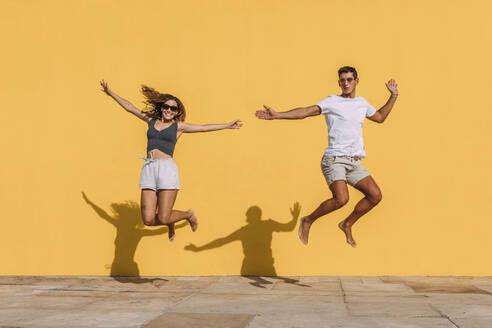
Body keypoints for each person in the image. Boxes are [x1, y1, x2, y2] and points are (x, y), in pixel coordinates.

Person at [255, 66, 398, 247]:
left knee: (375, 196)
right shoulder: (332, 101)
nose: (346, 83)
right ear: (339, 82)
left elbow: (379, 117)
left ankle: (347, 224)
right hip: (334, 159)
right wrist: (278, 115)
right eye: (342, 80)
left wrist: (393, 96)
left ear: (356, 81)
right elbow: (306, 111)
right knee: (341, 199)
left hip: (354, 162)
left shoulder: (362, 103)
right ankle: (308, 220)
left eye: (349, 80)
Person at [100, 80, 243, 241]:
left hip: (166, 170)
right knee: (147, 220)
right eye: (166, 107)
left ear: (176, 112)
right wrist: (110, 93)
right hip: (149, 168)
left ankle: (188, 215)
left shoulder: (179, 127)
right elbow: (130, 107)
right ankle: (169, 221)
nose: (169, 110)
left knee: (163, 217)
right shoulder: (151, 120)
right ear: (162, 108)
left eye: (173, 108)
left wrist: (226, 125)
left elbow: (203, 127)